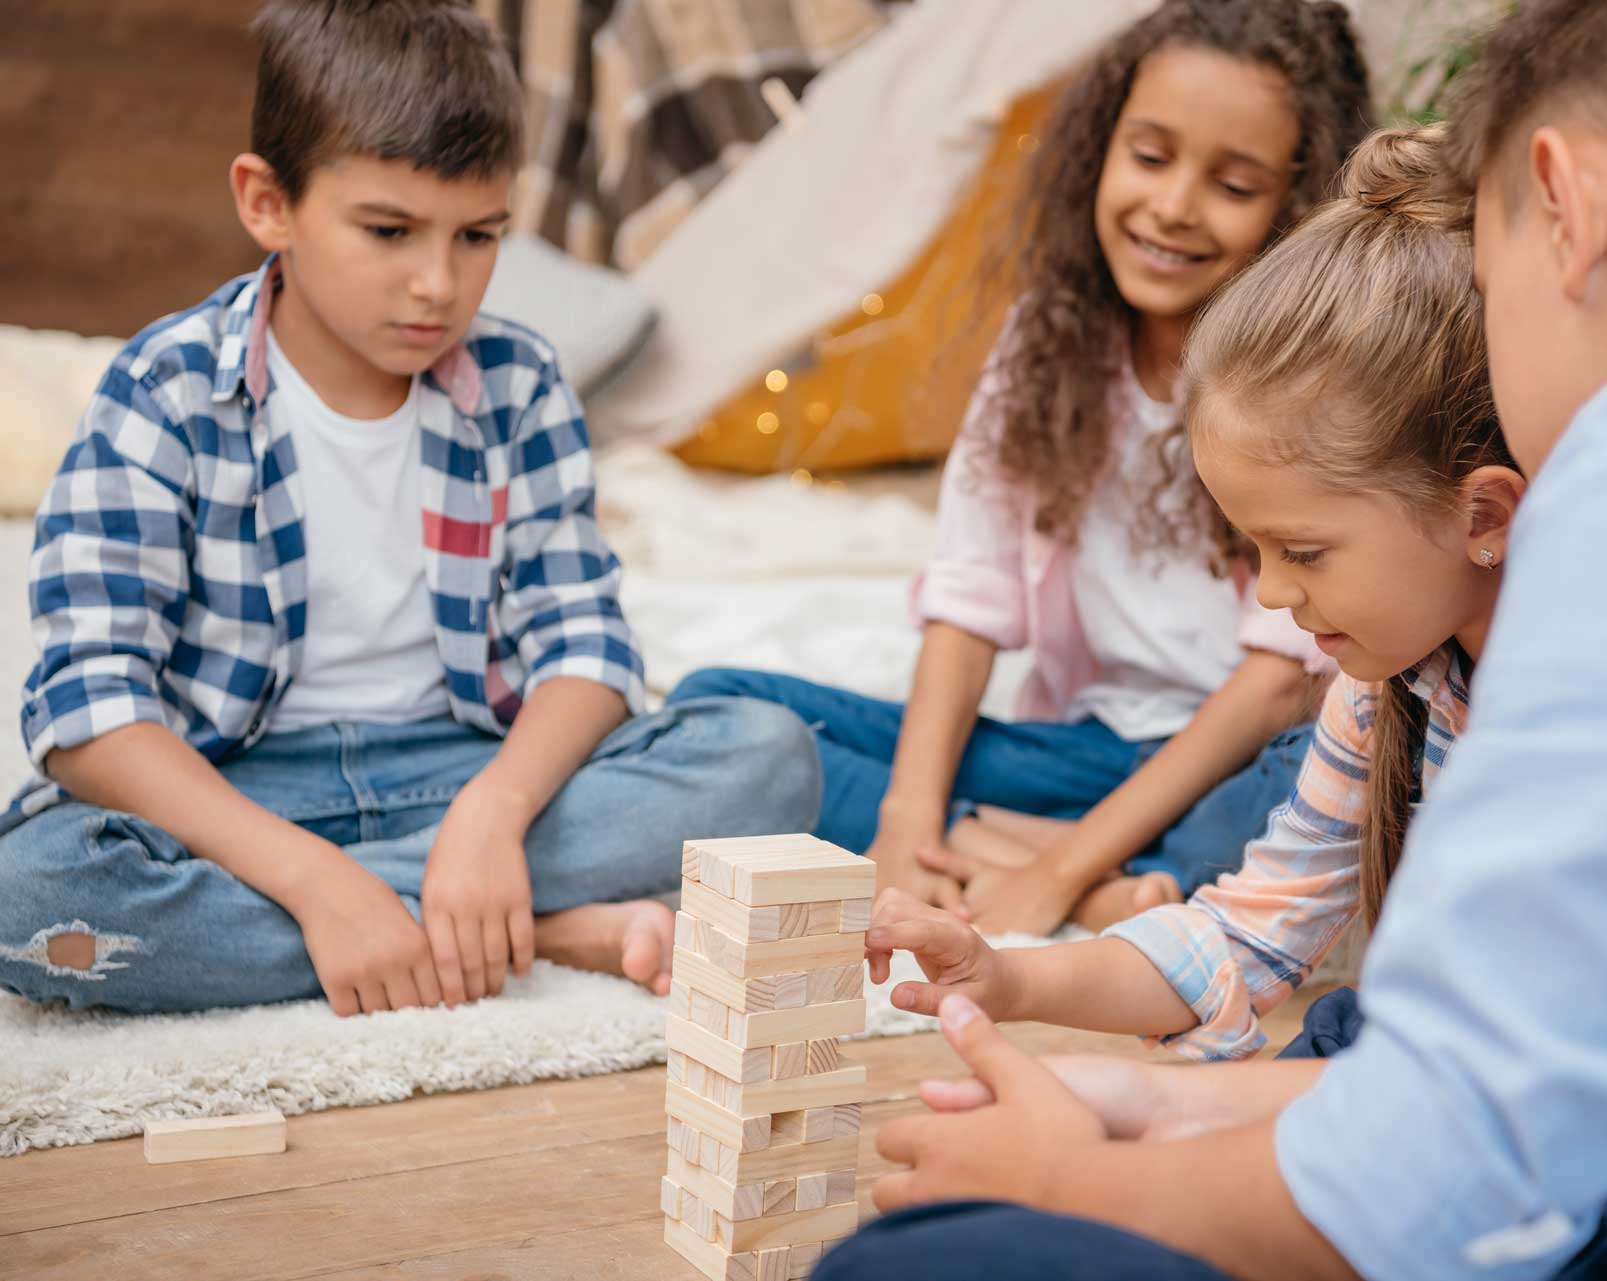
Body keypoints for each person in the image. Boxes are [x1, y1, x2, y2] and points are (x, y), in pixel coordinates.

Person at [822, 2, 1607, 1279]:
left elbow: (1465, 1161)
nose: (1279, 599)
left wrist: (1091, 1170)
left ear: (1563, 205)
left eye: (1494, 284)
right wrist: (1105, 1068)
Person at [0, 0, 820, 1017]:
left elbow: (586, 649)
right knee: (30, 896)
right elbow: (88, 710)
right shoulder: (162, 390)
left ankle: (419, 913)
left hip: (463, 776)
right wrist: (310, 877)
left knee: (769, 757)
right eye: (389, 231)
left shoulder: (518, 385)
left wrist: (495, 816)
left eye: (478, 236)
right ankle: (529, 930)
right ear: (267, 203)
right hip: (248, 792)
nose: (438, 284)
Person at [669, 0, 1373, 936]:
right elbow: (971, 592)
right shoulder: (1051, 339)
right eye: (1150, 157)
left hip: (1241, 756)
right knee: (721, 708)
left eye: (1233, 185)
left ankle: (1067, 867)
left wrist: (1056, 874)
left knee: (1331, 787)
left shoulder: (1313, 372)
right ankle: (1009, 856)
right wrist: (907, 822)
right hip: (1077, 753)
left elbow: (1280, 681)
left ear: (1298, 205)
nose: (1171, 207)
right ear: (1100, 148)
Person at [862, 127, 1519, 1068]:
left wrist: (1164, 1125)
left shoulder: (1589, 710)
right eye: (1254, 550)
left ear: (1484, 514)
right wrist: (1006, 980)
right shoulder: (1384, 692)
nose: (1276, 593)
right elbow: (1243, 938)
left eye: (1302, 550)